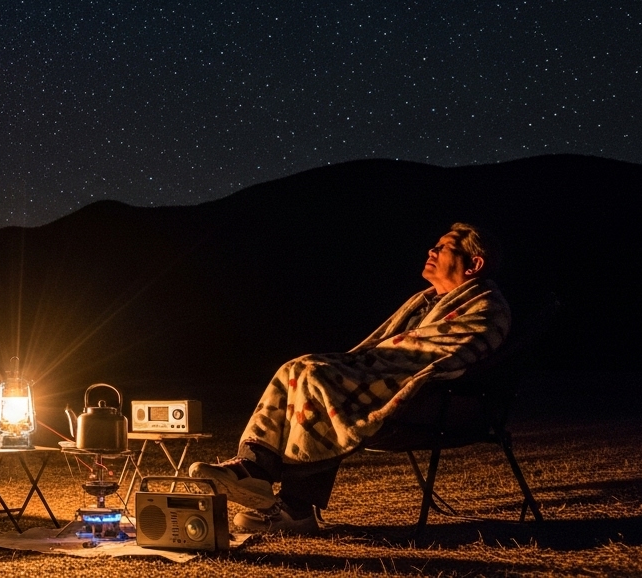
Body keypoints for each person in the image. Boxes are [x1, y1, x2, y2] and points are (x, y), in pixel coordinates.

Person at [189, 222, 511, 534]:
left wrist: (372, 366)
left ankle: (293, 506)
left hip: (432, 401)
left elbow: (443, 356)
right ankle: (254, 469)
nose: (432, 249)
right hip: (393, 384)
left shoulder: (486, 306)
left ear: (474, 263)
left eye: (443, 247)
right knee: (296, 368)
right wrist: (367, 365)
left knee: (318, 377)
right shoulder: (424, 301)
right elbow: (395, 348)